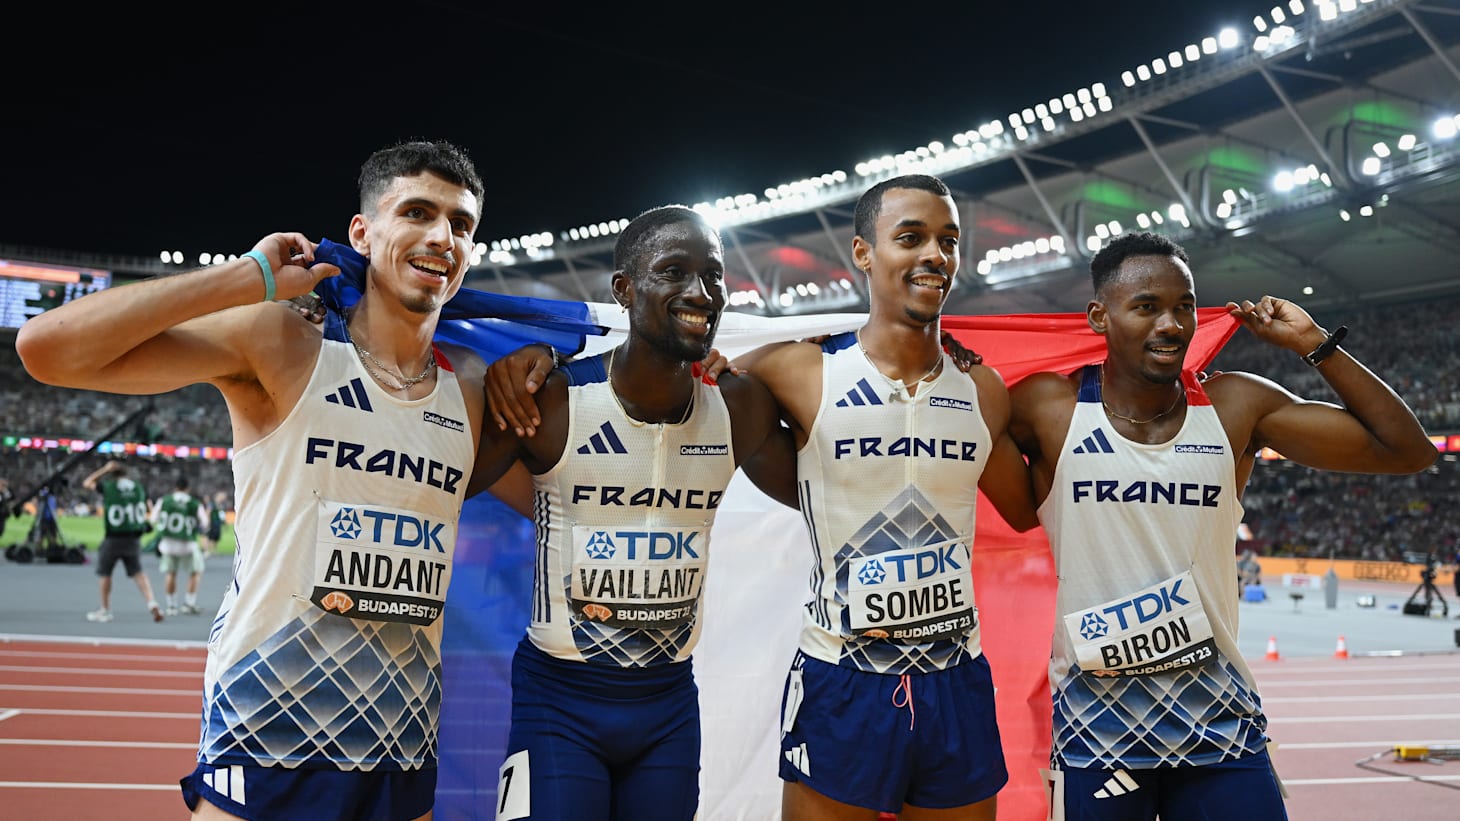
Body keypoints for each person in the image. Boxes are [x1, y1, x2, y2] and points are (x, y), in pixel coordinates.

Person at [486, 175, 1035, 819]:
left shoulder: (974, 390)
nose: (935, 254)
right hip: (814, 678)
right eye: (911, 237)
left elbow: (1020, 506)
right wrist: (532, 353)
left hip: (937, 673)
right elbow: (466, 460)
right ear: (863, 252)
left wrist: (1062, 411)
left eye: (949, 240)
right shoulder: (790, 373)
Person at [17, 139, 507, 821]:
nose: (442, 237)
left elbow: (580, 489)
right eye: (418, 212)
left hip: (401, 746)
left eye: (461, 224)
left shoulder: (474, 391)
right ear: (362, 233)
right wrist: (246, 278)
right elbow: (46, 349)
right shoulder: (282, 343)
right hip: (266, 731)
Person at [1006, 230, 1438, 820]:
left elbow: (1407, 451)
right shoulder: (1049, 408)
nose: (1171, 325)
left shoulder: (1235, 406)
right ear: (1099, 316)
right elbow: (954, 430)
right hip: (1096, 725)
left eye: (1183, 306)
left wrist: (1314, 344)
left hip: (1218, 719)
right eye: (1146, 307)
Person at [476, 204, 783, 821]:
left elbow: (830, 484)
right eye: (673, 272)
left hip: (667, 705)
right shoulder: (553, 400)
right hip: (558, 699)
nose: (701, 292)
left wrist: (895, 346)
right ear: (624, 289)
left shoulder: (740, 406)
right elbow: (434, 475)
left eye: (714, 275)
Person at [80, 460, 163, 623]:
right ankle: (152, 602)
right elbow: (149, 508)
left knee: (105, 573)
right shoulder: (138, 487)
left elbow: (87, 482)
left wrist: (104, 469)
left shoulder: (109, 487)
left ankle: (105, 610)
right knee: (138, 572)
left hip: (114, 536)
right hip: (133, 537)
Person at [152, 474, 208, 615]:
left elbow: (153, 519)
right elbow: (205, 523)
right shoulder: (194, 503)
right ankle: (189, 603)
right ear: (188, 488)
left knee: (171, 573)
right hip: (188, 544)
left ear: (175, 487)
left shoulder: (164, 501)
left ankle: (171, 606)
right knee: (196, 572)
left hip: (168, 544)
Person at [199, 490, 229, 558]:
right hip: (212, 522)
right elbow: (208, 512)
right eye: (222, 497)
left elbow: (221, 514)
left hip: (217, 523)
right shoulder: (212, 503)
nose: (223, 498)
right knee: (210, 536)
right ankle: (208, 550)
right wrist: (208, 522)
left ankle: (213, 550)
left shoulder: (220, 504)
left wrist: (224, 522)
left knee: (216, 537)